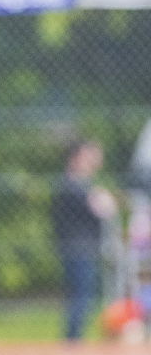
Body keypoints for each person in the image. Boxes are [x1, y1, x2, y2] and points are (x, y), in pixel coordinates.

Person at [51, 139, 117, 341]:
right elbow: (101, 207)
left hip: (83, 246)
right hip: (77, 247)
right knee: (81, 295)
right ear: (75, 158)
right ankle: (72, 340)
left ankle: (74, 338)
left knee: (82, 295)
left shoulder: (83, 186)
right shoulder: (71, 186)